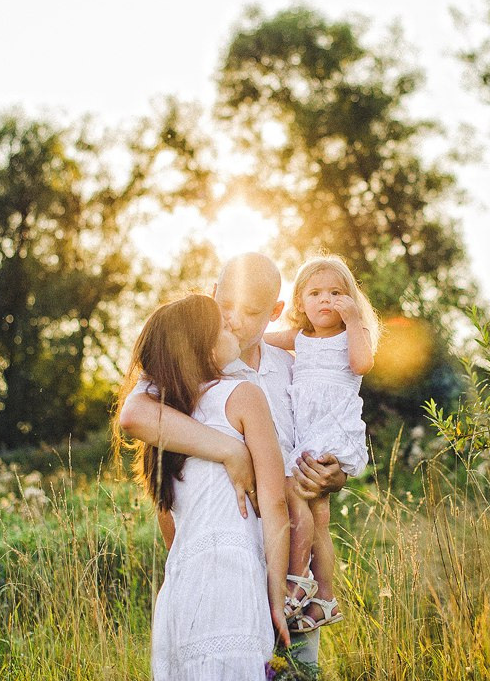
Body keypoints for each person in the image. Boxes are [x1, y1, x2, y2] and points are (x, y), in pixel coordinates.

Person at [116, 253, 348, 660]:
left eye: (251, 311)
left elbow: (325, 439)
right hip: (220, 554)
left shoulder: (295, 371)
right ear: (212, 295)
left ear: (275, 312)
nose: (236, 319)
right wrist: (230, 450)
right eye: (226, 307)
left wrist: (335, 475)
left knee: (296, 667)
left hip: (290, 561)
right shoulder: (189, 368)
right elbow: (134, 414)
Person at [119, 294, 290, 679]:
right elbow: (274, 504)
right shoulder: (244, 396)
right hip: (232, 580)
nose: (234, 328)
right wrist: (276, 594)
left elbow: (168, 524)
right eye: (224, 327)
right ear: (204, 346)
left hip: (181, 588)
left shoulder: (168, 422)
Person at [264, 256, 378, 633]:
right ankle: (326, 597)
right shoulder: (299, 338)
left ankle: (298, 577)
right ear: (300, 303)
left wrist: (354, 319)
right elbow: (258, 337)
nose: (325, 300)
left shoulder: (351, 335)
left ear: (350, 299)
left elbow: (362, 364)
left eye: (336, 293)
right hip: (308, 433)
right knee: (322, 520)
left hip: (332, 430)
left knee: (296, 491)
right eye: (315, 293)